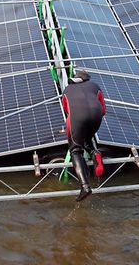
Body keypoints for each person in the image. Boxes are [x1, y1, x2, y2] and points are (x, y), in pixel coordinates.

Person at [62, 70, 106, 202]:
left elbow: (67, 111)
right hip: (96, 116)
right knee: (87, 137)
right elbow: (103, 109)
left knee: (75, 150)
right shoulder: (95, 86)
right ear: (87, 79)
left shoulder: (67, 90)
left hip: (78, 117)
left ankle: (85, 186)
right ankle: (95, 152)